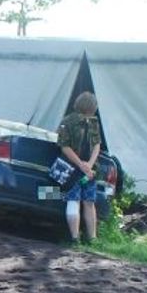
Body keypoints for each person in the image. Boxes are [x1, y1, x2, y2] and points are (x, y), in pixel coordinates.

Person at [57, 91, 102, 245]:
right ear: (92, 107)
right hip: (84, 171)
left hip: (77, 170)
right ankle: (90, 239)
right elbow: (96, 146)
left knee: (76, 200)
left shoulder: (68, 121)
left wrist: (85, 165)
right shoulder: (91, 122)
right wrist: (87, 165)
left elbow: (64, 147)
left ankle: (77, 238)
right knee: (86, 202)